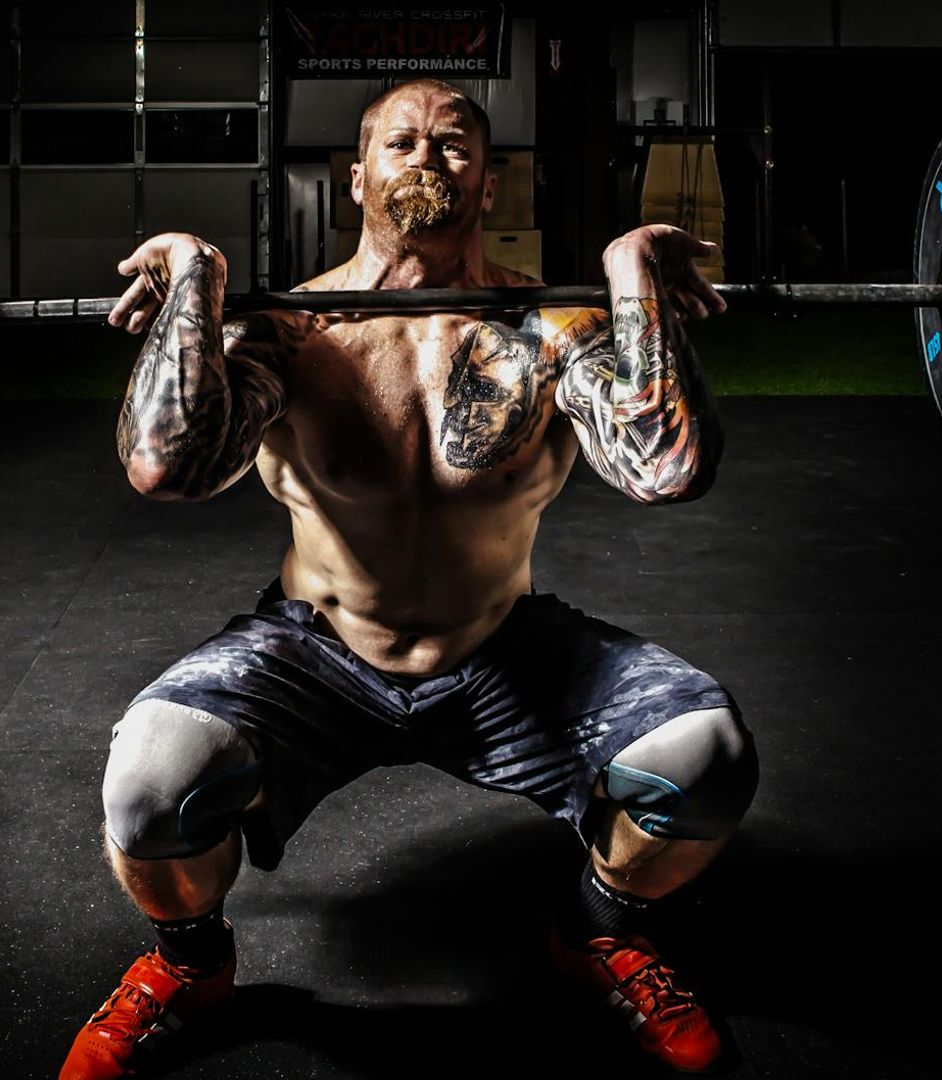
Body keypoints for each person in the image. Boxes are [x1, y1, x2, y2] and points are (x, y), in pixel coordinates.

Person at [61, 79, 758, 1078]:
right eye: (401, 142)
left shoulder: (550, 322)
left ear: (488, 179)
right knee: (147, 786)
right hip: (318, 652)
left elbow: (669, 468)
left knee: (707, 754)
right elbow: (166, 465)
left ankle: (601, 933)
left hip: (500, 647)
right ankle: (191, 964)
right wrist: (194, 279)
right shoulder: (293, 330)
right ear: (358, 177)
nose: (427, 159)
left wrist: (631, 271)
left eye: (454, 142)